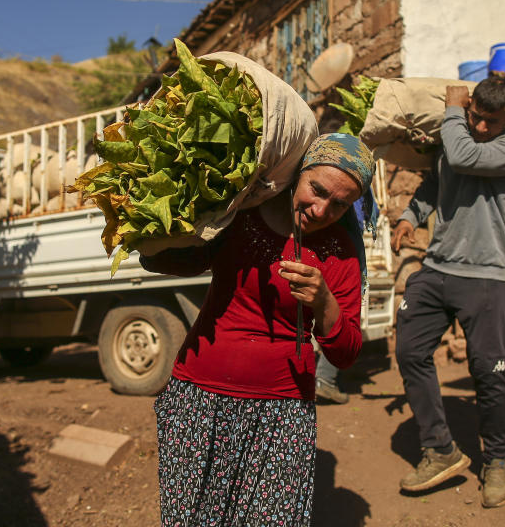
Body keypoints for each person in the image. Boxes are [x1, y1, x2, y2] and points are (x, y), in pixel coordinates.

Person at [140, 133, 375, 526]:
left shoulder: (338, 253)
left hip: (282, 413)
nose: (320, 210)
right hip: (198, 400)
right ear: (299, 173)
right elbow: (175, 262)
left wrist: (324, 302)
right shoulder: (241, 217)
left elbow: (345, 353)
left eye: (339, 205)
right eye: (316, 190)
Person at [391, 77, 505, 508]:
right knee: (411, 351)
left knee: (488, 371)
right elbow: (436, 183)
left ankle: (497, 460)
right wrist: (410, 216)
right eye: (476, 117)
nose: (483, 126)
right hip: (436, 268)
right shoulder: (455, 137)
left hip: (485, 275)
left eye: (492, 121)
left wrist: (455, 110)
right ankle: (440, 450)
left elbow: (464, 155)